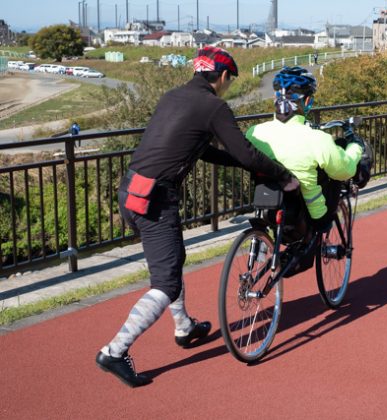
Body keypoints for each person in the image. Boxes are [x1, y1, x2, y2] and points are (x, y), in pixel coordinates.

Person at [95, 47, 299, 388]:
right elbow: (244, 151)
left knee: (172, 263)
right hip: (156, 199)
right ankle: (115, 351)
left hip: (131, 191)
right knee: (166, 283)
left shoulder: (173, 97)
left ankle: (184, 327)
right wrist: (282, 175)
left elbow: (204, 151)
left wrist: (242, 162)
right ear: (221, 77)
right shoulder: (214, 106)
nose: (229, 85)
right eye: (230, 79)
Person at [246, 66, 364, 236]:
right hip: (312, 215)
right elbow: (345, 170)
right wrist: (356, 148)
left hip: (267, 205)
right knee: (335, 177)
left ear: (275, 98)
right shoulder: (317, 139)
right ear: (308, 101)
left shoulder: (254, 132)